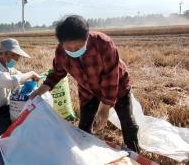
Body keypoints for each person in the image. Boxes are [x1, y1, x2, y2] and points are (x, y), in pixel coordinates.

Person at [30, 15, 140, 153]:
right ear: (61, 43)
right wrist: (39, 91)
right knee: (84, 128)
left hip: (117, 87)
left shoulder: (104, 44)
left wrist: (105, 108)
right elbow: (57, 73)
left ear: (87, 37)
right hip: (88, 90)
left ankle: (135, 155)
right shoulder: (60, 52)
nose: (74, 51)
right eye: (69, 48)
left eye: (78, 46)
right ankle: (86, 156)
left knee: (129, 125)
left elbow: (111, 77)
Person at [0, 38, 40, 141]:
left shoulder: (9, 69)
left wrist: (32, 80)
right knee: (6, 142)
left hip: (7, 109)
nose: (17, 60)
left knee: (25, 129)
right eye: (17, 56)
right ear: (7, 54)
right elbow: (11, 82)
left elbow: (20, 77)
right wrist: (31, 73)